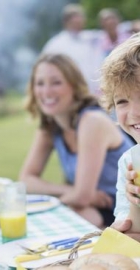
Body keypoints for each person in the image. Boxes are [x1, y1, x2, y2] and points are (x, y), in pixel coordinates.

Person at [19, 53, 134, 227]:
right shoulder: (50, 127)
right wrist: (68, 191)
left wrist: (69, 197)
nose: (46, 91)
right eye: (40, 83)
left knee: (64, 219)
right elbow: (26, 180)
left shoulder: (91, 121)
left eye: (56, 82)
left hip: (122, 210)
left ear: (74, 85)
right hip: (93, 208)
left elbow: (82, 197)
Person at [100, 33, 140, 240]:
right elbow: (131, 233)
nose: (134, 113)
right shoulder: (130, 162)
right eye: (122, 101)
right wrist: (134, 204)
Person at [42, 4, 101, 95]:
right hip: (69, 94)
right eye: (75, 22)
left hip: (93, 94)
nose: (79, 25)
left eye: (81, 21)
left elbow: (117, 30)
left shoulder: (90, 38)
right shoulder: (55, 44)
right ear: (66, 22)